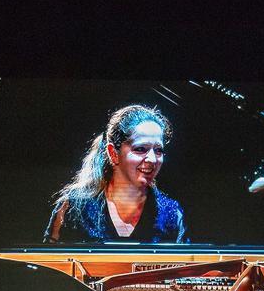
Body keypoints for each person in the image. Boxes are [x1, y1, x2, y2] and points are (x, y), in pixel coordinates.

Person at [44, 104, 188, 244]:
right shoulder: (75, 208)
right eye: (140, 149)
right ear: (113, 153)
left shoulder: (171, 214)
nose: (152, 159)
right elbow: (49, 259)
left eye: (158, 150)